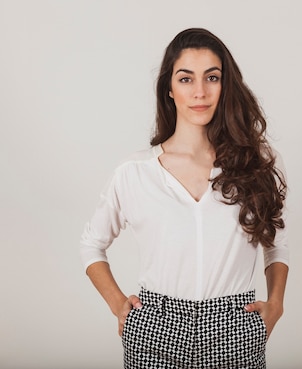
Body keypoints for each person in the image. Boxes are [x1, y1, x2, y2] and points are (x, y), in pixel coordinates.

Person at [79, 28, 289, 369]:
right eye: (186, 79)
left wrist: (276, 305)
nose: (200, 92)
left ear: (225, 86)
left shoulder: (253, 165)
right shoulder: (135, 172)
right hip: (156, 328)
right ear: (170, 90)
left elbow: (277, 243)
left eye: (212, 77)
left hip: (234, 327)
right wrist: (119, 305)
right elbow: (91, 244)